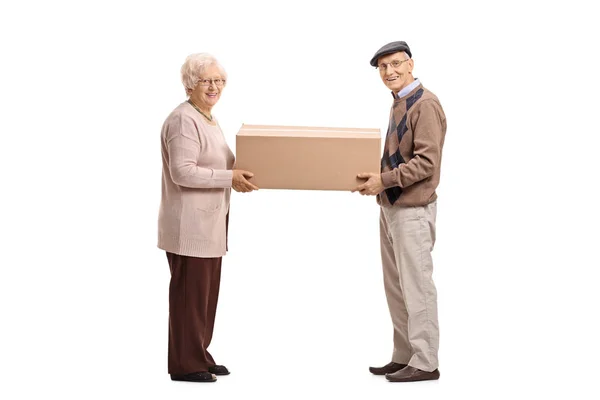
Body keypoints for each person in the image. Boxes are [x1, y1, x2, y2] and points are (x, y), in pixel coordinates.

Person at [157, 53, 258, 383]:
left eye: (219, 81)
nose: (214, 86)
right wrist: (230, 178)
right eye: (207, 80)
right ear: (190, 84)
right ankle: (186, 364)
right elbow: (183, 172)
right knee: (190, 294)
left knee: (204, 294)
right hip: (189, 226)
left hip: (211, 223)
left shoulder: (208, 119)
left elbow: (225, 164)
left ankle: (199, 352)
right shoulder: (183, 120)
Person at [353, 41, 447, 382]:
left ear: (410, 64)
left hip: (414, 210)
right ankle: (405, 354)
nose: (389, 71)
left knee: (417, 286)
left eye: (395, 64)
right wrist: (371, 181)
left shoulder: (426, 104)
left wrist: (384, 180)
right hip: (392, 207)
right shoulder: (399, 103)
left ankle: (425, 362)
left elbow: (426, 163)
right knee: (397, 286)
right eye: (383, 67)